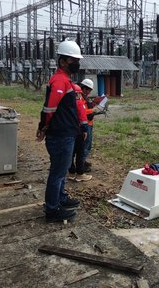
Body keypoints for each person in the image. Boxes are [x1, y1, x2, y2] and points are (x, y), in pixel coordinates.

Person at [36, 40, 84, 222]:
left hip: (67, 134)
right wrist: (43, 127)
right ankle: (52, 209)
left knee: (61, 171)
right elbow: (49, 109)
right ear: (63, 61)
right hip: (60, 135)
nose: (76, 63)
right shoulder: (59, 81)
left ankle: (61, 198)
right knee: (57, 173)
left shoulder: (66, 81)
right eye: (73, 60)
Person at [68, 83, 93, 182]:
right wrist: (85, 130)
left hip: (69, 131)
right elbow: (83, 117)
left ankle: (71, 172)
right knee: (80, 152)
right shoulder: (78, 102)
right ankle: (80, 174)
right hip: (78, 131)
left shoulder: (64, 103)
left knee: (71, 152)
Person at [80, 78, 96, 172]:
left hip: (89, 124)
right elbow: (81, 111)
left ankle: (83, 161)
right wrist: (93, 110)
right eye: (88, 90)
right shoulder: (80, 98)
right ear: (84, 88)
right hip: (85, 125)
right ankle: (81, 165)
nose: (89, 92)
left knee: (88, 145)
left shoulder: (85, 97)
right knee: (85, 146)